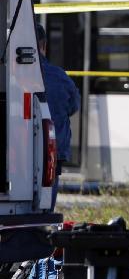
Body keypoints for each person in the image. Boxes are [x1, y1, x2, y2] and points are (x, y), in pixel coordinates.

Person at [35, 24, 80, 207]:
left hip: (16, 155)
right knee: (46, 208)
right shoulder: (59, 76)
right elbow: (73, 105)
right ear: (44, 45)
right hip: (52, 152)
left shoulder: (9, 74)